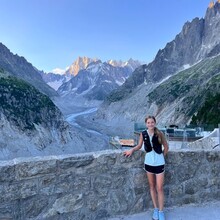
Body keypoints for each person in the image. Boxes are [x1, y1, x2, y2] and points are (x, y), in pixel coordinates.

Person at [124, 115, 169, 220]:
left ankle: (161, 212)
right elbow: (139, 146)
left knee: (160, 188)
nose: (150, 124)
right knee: (152, 186)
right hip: (148, 163)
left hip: (159, 163)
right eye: (148, 123)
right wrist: (131, 150)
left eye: (152, 122)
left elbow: (166, 147)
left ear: (155, 123)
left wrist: (162, 156)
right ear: (146, 124)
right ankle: (156, 209)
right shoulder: (143, 134)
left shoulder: (159, 133)